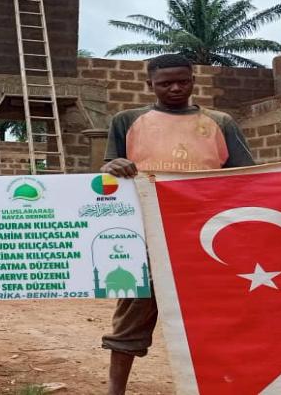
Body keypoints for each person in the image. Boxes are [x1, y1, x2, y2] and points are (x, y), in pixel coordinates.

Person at [99, 53, 255, 395]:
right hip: (147, 234)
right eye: (165, 83)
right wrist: (113, 167)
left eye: (183, 81)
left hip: (207, 235)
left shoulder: (220, 122)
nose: (174, 88)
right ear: (149, 85)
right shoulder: (127, 120)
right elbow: (109, 169)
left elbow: (248, 177)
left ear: (193, 81)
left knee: (214, 317)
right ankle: (115, 391)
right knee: (133, 313)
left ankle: (221, 385)